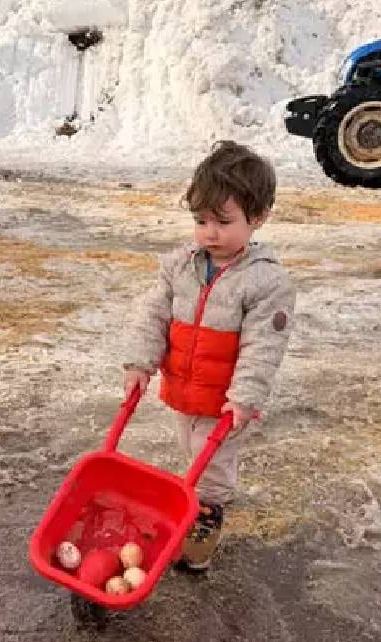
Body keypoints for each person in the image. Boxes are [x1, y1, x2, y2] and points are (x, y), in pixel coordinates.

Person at [121, 140, 296, 571]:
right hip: (184, 386)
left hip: (225, 401)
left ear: (258, 218)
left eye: (222, 221)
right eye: (200, 221)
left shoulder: (266, 283)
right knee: (189, 448)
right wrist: (140, 362)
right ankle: (194, 500)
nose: (209, 233)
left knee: (211, 463)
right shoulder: (181, 265)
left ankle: (208, 514)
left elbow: (263, 348)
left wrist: (244, 398)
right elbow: (154, 313)